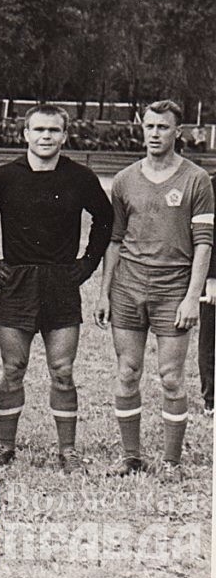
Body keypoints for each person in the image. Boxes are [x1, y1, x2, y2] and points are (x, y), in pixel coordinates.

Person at [0, 104, 113, 472]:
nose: (45, 136)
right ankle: (5, 447)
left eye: (53, 130)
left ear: (64, 135)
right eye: (38, 129)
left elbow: (105, 218)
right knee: (13, 368)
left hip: (61, 284)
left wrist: (87, 264)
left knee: (62, 370)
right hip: (18, 283)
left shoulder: (80, 177)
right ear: (25, 133)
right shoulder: (4, 177)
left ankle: (67, 451)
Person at [94, 100, 214, 481]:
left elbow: (204, 244)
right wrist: (104, 292)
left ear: (178, 132)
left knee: (171, 376)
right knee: (127, 371)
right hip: (129, 287)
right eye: (149, 126)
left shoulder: (197, 180)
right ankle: (131, 457)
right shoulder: (125, 179)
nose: (155, 133)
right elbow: (114, 241)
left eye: (163, 127)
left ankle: (171, 462)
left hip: (173, 288)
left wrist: (192, 296)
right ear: (141, 129)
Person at [200, 174, 216, 418]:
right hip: (215, 279)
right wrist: (212, 277)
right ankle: (211, 398)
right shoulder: (212, 186)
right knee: (211, 338)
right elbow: (209, 234)